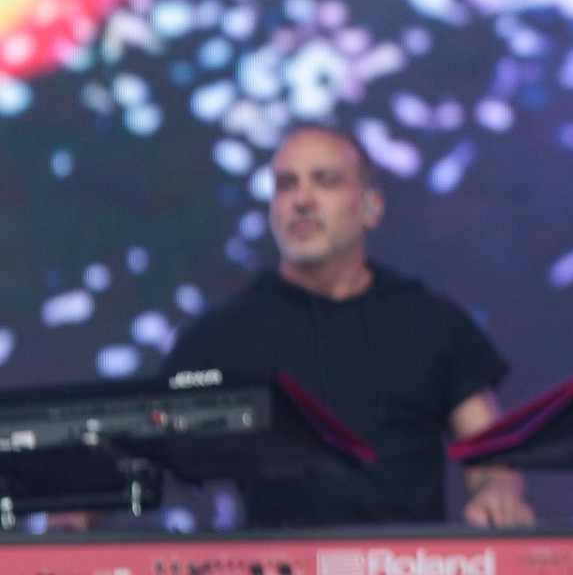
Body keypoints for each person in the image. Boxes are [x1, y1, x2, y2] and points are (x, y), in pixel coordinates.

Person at [161, 124, 533, 529]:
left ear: (371, 208)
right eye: (286, 185)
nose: (301, 200)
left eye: (326, 181)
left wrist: (498, 491)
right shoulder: (224, 331)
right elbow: (146, 437)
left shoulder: (430, 321)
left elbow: (489, 451)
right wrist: (81, 519)